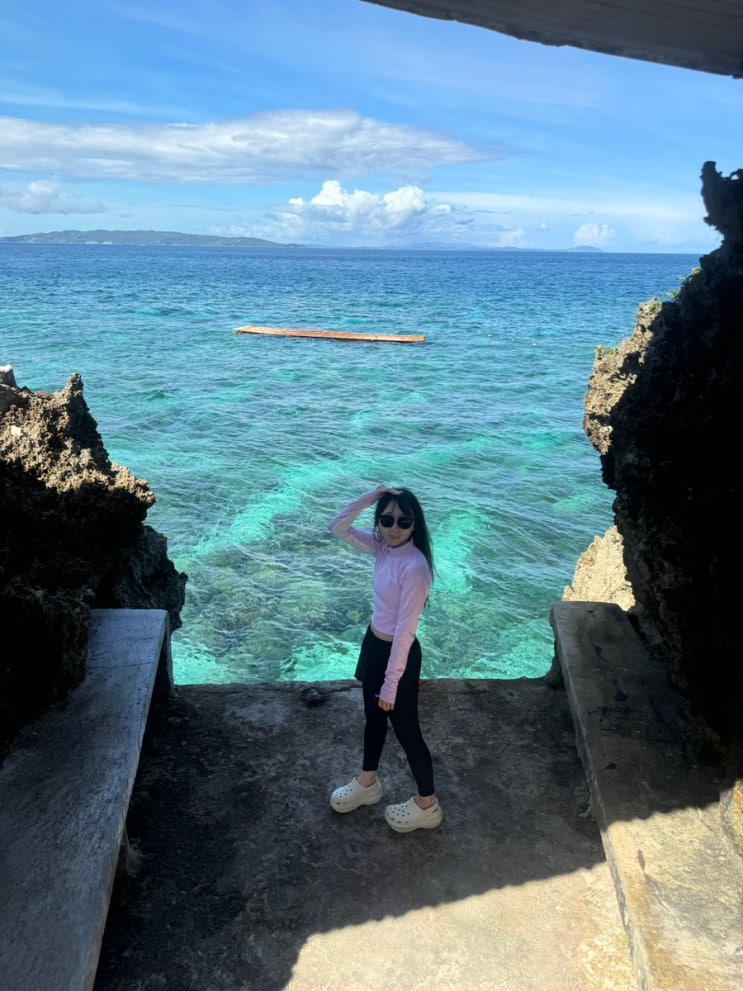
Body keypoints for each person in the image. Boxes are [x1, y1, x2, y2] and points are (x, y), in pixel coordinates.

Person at [327, 483, 442, 832]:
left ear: (415, 524)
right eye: (386, 519)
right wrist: (372, 497)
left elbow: (406, 631)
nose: (394, 528)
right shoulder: (382, 548)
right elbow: (338, 526)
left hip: (398, 655)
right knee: (373, 719)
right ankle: (367, 783)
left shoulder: (415, 567)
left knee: (407, 730)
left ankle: (427, 805)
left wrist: (392, 683)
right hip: (374, 645)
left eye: (403, 521)